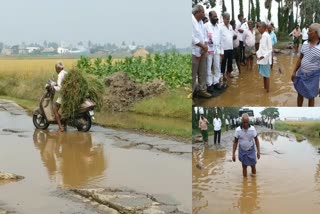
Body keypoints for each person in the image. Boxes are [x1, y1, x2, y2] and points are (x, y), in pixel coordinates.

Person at [291, 23, 320, 106]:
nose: (307, 33)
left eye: (309, 31)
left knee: (311, 96)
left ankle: (309, 112)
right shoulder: (305, 44)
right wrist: (294, 72)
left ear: (316, 33)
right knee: (300, 93)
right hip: (301, 74)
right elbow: (300, 58)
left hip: (313, 77)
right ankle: (299, 110)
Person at [192, 4, 211, 98]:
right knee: (192, 75)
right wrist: (202, 46)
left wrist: (205, 47)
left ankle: (202, 90)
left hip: (202, 51)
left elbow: (204, 36)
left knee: (202, 73)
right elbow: (192, 38)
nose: (204, 14)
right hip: (193, 51)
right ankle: (190, 95)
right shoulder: (190, 20)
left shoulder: (200, 22)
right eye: (203, 12)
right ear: (198, 12)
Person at [205, 10, 224, 92]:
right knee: (208, 67)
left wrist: (222, 51)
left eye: (216, 16)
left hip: (217, 49)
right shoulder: (206, 26)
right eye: (214, 16)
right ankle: (209, 84)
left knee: (217, 66)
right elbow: (204, 38)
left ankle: (216, 82)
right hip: (209, 50)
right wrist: (207, 47)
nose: (216, 18)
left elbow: (221, 40)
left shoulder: (219, 27)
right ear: (210, 17)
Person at [256, 22, 272, 93]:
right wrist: (257, 54)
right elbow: (262, 48)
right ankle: (265, 89)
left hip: (265, 60)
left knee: (267, 75)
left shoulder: (266, 36)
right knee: (264, 75)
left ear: (263, 28)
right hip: (261, 59)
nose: (258, 28)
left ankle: (267, 92)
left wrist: (263, 56)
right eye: (258, 27)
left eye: (260, 27)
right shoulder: (263, 36)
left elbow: (270, 49)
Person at [53, 62, 68, 132]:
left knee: (55, 110)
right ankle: (64, 125)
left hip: (62, 95)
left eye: (56, 68)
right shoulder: (65, 73)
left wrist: (53, 87)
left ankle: (60, 127)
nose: (55, 70)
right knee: (64, 111)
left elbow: (59, 88)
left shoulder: (60, 75)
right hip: (66, 94)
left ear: (58, 68)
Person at [220, 12, 235, 79]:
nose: (228, 20)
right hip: (224, 48)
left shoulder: (231, 26)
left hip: (230, 47)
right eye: (226, 19)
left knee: (230, 61)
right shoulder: (220, 27)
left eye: (228, 19)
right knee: (223, 62)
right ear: (223, 19)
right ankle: (223, 74)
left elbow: (231, 36)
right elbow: (219, 38)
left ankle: (229, 72)